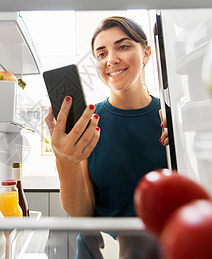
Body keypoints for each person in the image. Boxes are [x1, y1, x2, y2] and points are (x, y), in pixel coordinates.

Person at [45, 16, 169, 258]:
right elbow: (81, 212)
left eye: (123, 46)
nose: (111, 59)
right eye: (101, 54)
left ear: (146, 53)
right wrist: (64, 159)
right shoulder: (90, 123)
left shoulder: (169, 120)